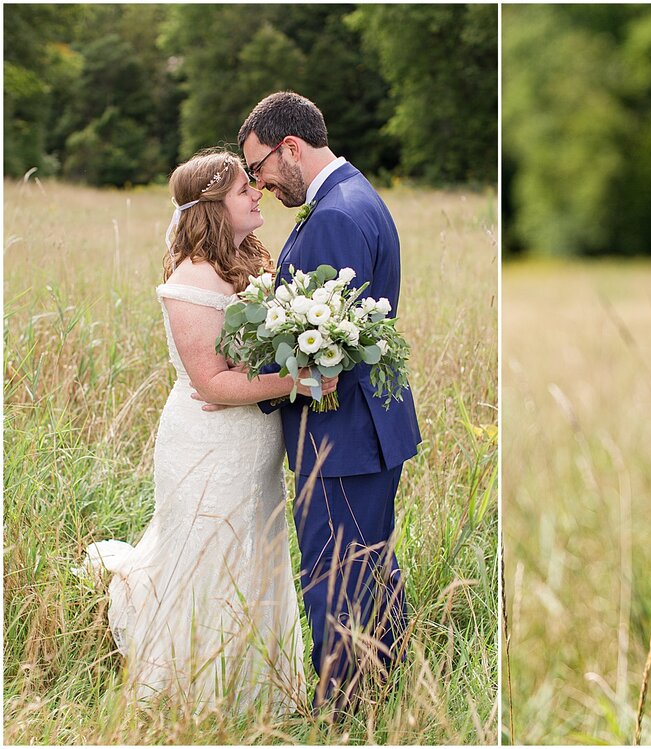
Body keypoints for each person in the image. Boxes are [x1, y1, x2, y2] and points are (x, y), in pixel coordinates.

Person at [76, 149, 337, 712]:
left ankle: (256, 685)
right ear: (214, 207)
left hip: (254, 444)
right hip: (207, 444)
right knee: (209, 553)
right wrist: (301, 383)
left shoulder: (253, 265)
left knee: (254, 552)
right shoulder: (192, 280)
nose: (257, 193)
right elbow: (213, 384)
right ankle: (194, 691)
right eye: (245, 187)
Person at [234, 91, 422, 712]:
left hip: (341, 434)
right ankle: (383, 695)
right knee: (369, 567)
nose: (259, 183)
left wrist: (247, 380)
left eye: (258, 165)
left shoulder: (337, 215)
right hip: (363, 432)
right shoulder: (352, 196)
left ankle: (341, 711)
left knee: (335, 575)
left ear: (291, 147)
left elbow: (325, 356)